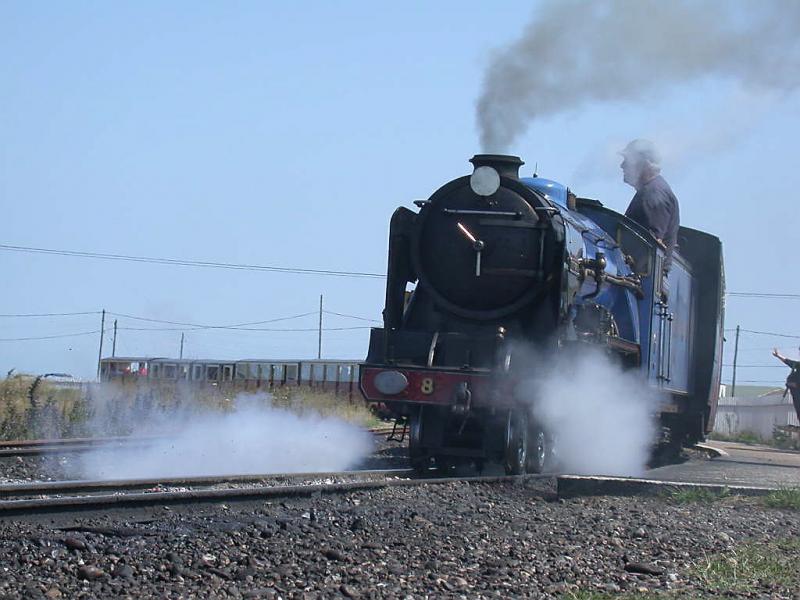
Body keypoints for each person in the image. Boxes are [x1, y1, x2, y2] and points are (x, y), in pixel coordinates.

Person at [620, 139, 680, 271]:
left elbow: (648, 245)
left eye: (627, 160)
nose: (622, 166)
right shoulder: (651, 191)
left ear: (645, 164)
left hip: (641, 282)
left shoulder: (653, 195)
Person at [772, 347, 800, 421]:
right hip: (796, 394)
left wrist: (796, 385)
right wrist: (778, 356)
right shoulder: (798, 365)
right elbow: (789, 362)